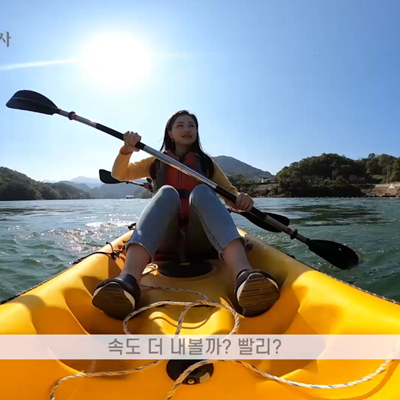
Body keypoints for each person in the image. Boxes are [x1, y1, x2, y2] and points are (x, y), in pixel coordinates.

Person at [92, 110, 280, 320]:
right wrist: (126, 150)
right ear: (170, 133)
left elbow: (230, 194)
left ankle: (245, 276)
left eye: (191, 125)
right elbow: (119, 174)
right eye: (180, 125)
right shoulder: (155, 161)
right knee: (166, 192)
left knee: (202, 191)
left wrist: (241, 199)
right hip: (166, 241)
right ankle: (128, 281)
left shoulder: (206, 164)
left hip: (201, 240)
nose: (187, 129)